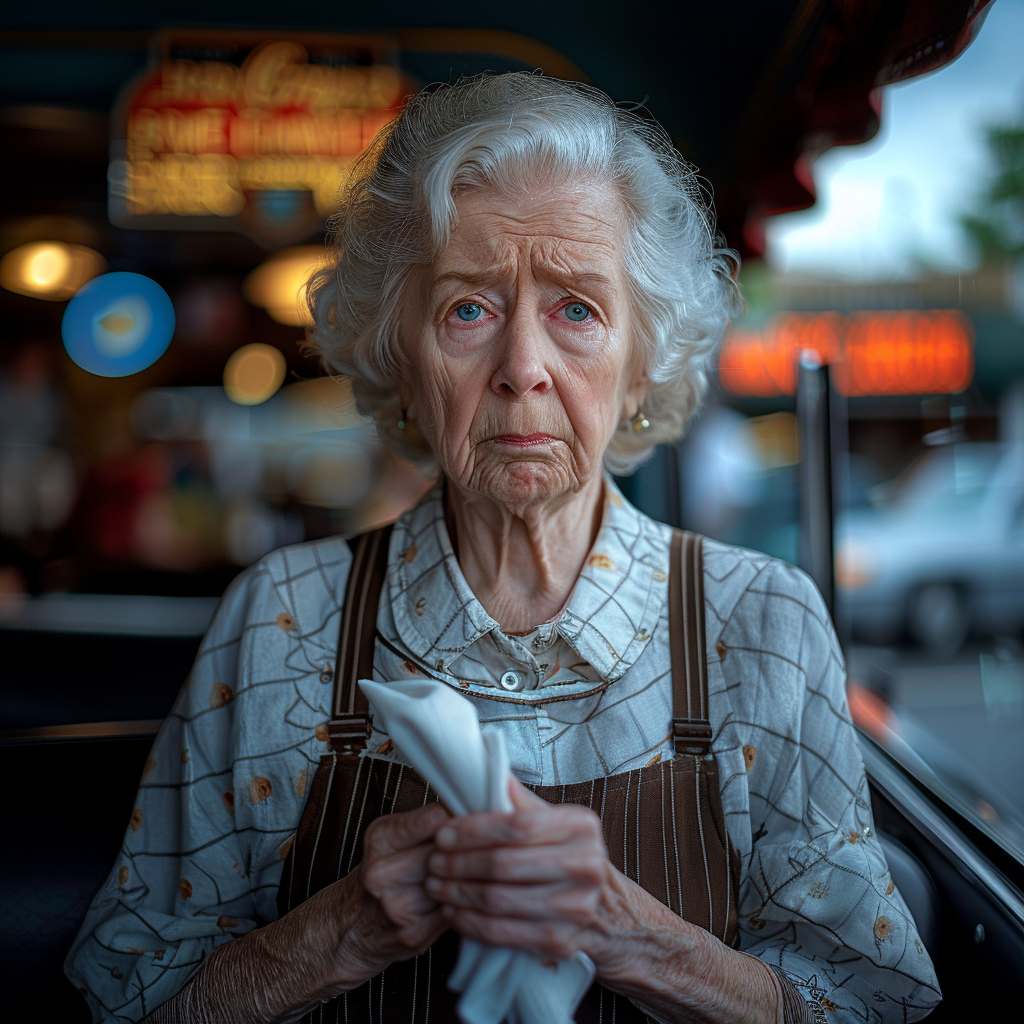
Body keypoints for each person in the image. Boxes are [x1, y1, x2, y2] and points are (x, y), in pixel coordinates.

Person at [66, 73, 940, 1024]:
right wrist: (340, 929)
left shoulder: (762, 621)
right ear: (399, 357)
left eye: (577, 310)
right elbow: (130, 1004)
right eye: (468, 310)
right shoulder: (282, 620)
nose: (524, 370)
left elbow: (870, 1003)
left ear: (643, 360)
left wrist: (632, 937)